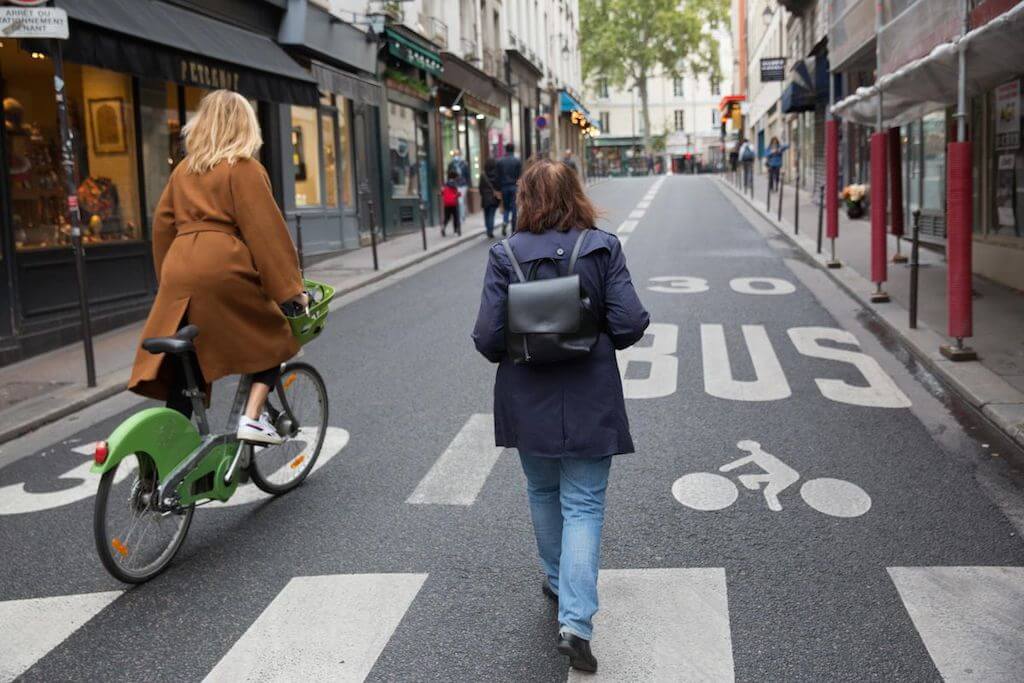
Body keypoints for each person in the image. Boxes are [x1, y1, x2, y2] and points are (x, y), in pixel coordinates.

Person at [472, 159, 650, 673]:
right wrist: (589, 326)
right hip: (590, 393)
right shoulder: (601, 246)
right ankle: (577, 624)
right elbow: (631, 322)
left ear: (524, 198)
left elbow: (486, 338)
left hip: (528, 399)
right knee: (585, 505)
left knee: (544, 492)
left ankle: (556, 579)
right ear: (577, 194)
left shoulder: (503, 254)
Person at [128, 90, 307, 445]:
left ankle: (164, 461)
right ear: (245, 126)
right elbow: (265, 234)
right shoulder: (243, 168)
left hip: (180, 269)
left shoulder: (182, 171)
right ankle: (252, 419)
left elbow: (162, 226)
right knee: (276, 336)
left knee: (185, 367)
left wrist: (171, 281)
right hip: (222, 267)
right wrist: (290, 290)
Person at [496, 142, 522, 235]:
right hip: (514, 186)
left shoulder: (500, 161)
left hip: (504, 187)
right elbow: (520, 176)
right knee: (514, 207)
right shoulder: (517, 161)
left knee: (506, 207)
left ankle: (505, 222)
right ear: (513, 149)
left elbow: (497, 176)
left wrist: (498, 189)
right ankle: (513, 228)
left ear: (505, 149)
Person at [479, 157, 501, 239]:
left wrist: (482, 194)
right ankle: (490, 231)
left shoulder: (483, 174)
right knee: (492, 214)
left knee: (486, 214)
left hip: (485, 197)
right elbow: (498, 185)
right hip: (494, 197)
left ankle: (488, 229)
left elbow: (480, 187)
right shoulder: (497, 174)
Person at [447, 148, 471, 221]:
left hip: (463, 185)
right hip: (454, 185)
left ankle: (461, 217)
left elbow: (467, 174)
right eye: (455, 155)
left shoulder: (464, 163)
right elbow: (449, 174)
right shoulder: (451, 164)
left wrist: (468, 184)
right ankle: (461, 214)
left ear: (460, 155)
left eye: (457, 154)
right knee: (457, 201)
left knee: (460, 201)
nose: (456, 156)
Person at [441, 168, 461, 236]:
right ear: (454, 177)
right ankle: (455, 231)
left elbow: (442, 192)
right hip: (453, 203)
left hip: (446, 203)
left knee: (447, 217)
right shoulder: (454, 184)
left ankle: (443, 227)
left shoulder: (445, 183)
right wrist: (459, 194)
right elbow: (456, 193)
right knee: (455, 217)